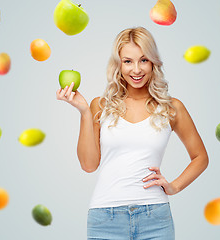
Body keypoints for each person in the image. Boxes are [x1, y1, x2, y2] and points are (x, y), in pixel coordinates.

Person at [56, 26, 209, 240]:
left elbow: (200, 157)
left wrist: (174, 186)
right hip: (105, 219)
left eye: (143, 60)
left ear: (153, 61)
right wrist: (83, 112)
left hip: (155, 218)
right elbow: (89, 165)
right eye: (128, 61)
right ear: (118, 64)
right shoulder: (100, 106)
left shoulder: (172, 107)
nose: (136, 70)